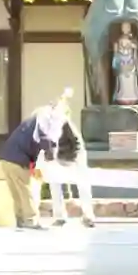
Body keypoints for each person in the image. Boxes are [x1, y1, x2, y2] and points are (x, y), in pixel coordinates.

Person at [0, 103, 62, 231]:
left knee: (17, 192)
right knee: (26, 192)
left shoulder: (29, 123)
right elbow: (45, 140)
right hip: (18, 160)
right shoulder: (42, 122)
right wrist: (51, 154)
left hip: (5, 159)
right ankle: (31, 220)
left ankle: (20, 219)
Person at [42, 90, 97, 228]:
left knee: (83, 184)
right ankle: (59, 216)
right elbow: (46, 145)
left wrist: (72, 161)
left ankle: (88, 216)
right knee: (54, 183)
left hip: (75, 157)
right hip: (59, 158)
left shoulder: (65, 124)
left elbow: (77, 144)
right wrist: (49, 159)